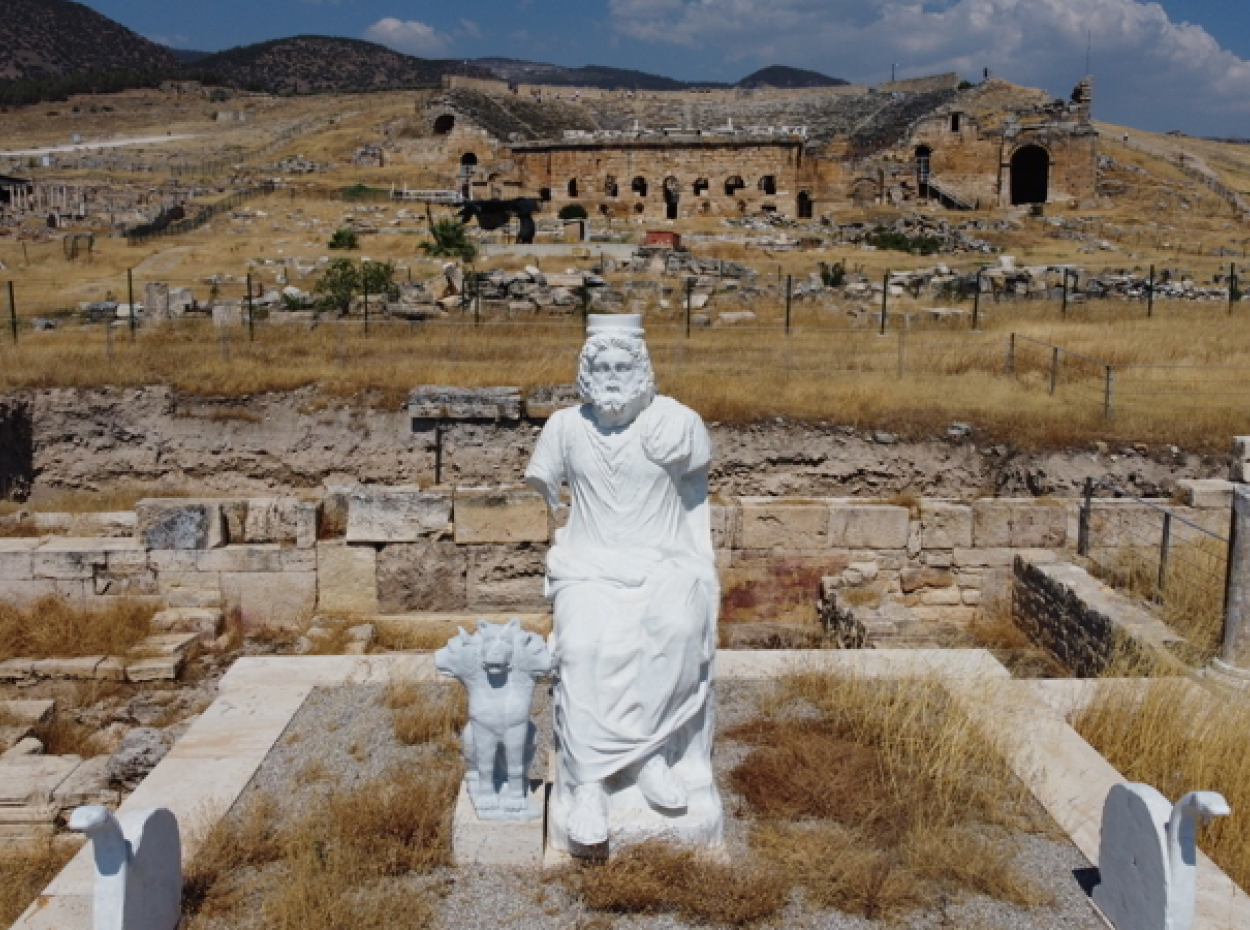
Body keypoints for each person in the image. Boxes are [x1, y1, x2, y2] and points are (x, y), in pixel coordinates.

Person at [525, 314, 720, 849]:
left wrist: (677, 418)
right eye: (602, 366)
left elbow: (698, 474)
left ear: (641, 368)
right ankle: (589, 783)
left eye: (622, 365)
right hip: (589, 564)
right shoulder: (565, 427)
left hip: (662, 562)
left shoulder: (676, 423)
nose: (612, 375)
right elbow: (546, 486)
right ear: (587, 372)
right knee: (584, 646)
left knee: (678, 630)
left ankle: (651, 755)